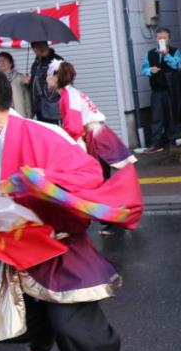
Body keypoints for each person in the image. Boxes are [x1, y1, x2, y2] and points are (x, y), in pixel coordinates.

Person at [0, 66, 139, 351]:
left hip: (58, 246)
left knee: (76, 330)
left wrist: (41, 181)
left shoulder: (43, 133)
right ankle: (42, 330)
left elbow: (89, 173)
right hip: (15, 250)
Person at [48, 60, 137, 236]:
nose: (46, 79)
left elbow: (73, 128)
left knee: (99, 182)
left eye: (48, 76)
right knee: (103, 181)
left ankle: (111, 220)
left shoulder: (68, 96)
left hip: (95, 137)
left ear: (56, 77)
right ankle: (112, 219)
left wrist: (67, 148)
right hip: (100, 134)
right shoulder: (72, 93)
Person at [138, 27, 181, 154]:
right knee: (156, 117)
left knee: (171, 114)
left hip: (171, 89)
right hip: (156, 90)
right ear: (156, 39)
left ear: (169, 39)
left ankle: (172, 140)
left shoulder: (175, 51)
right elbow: (144, 69)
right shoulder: (150, 53)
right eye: (159, 38)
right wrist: (150, 70)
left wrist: (166, 55)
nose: (161, 40)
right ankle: (156, 143)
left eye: (164, 38)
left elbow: (177, 65)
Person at [28, 41, 63, 124]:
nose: (37, 51)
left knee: (54, 131)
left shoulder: (57, 61)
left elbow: (65, 82)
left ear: (46, 46)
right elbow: (34, 83)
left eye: (41, 46)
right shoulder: (36, 63)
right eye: (35, 48)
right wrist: (30, 81)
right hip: (38, 107)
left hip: (52, 108)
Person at [0, 51, 32, 118]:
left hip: (19, 114)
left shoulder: (20, 78)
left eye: (4, 60)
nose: (2, 63)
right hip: (2, 115)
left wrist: (29, 115)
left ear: (11, 63)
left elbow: (27, 98)